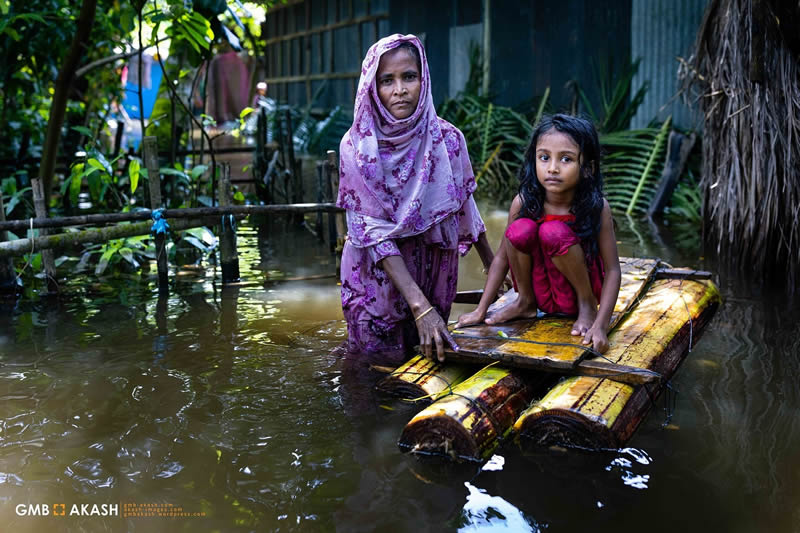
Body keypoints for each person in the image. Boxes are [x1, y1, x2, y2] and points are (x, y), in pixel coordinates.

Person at [337, 34, 494, 364]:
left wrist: (493, 265)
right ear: (372, 86)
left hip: (433, 265)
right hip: (377, 273)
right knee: (371, 367)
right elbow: (372, 232)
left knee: (427, 364)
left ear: (424, 79)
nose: (400, 90)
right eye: (387, 80)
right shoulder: (356, 148)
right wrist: (420, 307)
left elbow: (462, 202)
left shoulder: (448, 138)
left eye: (409, 76)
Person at [457, 114, 621, 353]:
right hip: (542, 295)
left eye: (566, 159)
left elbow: (613, 269)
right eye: (544, 157)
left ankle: (586, 307)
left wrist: (601, 325)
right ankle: (524, 302)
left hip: (577, 299)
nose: (552, 168)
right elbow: (502, 258)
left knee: (552, 232)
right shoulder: (523, 203)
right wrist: (481, 309)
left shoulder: (597, 207)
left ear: (587, 168)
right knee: (520, 229)